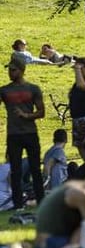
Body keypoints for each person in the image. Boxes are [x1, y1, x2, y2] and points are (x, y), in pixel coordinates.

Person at [2, 62, 45, 209]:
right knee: (15, 170)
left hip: (30, 133)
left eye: (13, 70)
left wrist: (26, 115)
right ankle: (18, 203)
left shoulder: (33, 89)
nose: (10, 73)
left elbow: (41, 112)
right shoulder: (4, 90)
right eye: (9, 70)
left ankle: (41, 201)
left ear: (21, 70)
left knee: (35, 169)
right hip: (13, 134)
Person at [42, 127, 70, 192]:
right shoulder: (59, 151)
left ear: (54, 139)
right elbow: (48, 165)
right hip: (58, 185)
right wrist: (47, 180)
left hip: (51, 186)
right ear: (66, 140)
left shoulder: (48, 152)